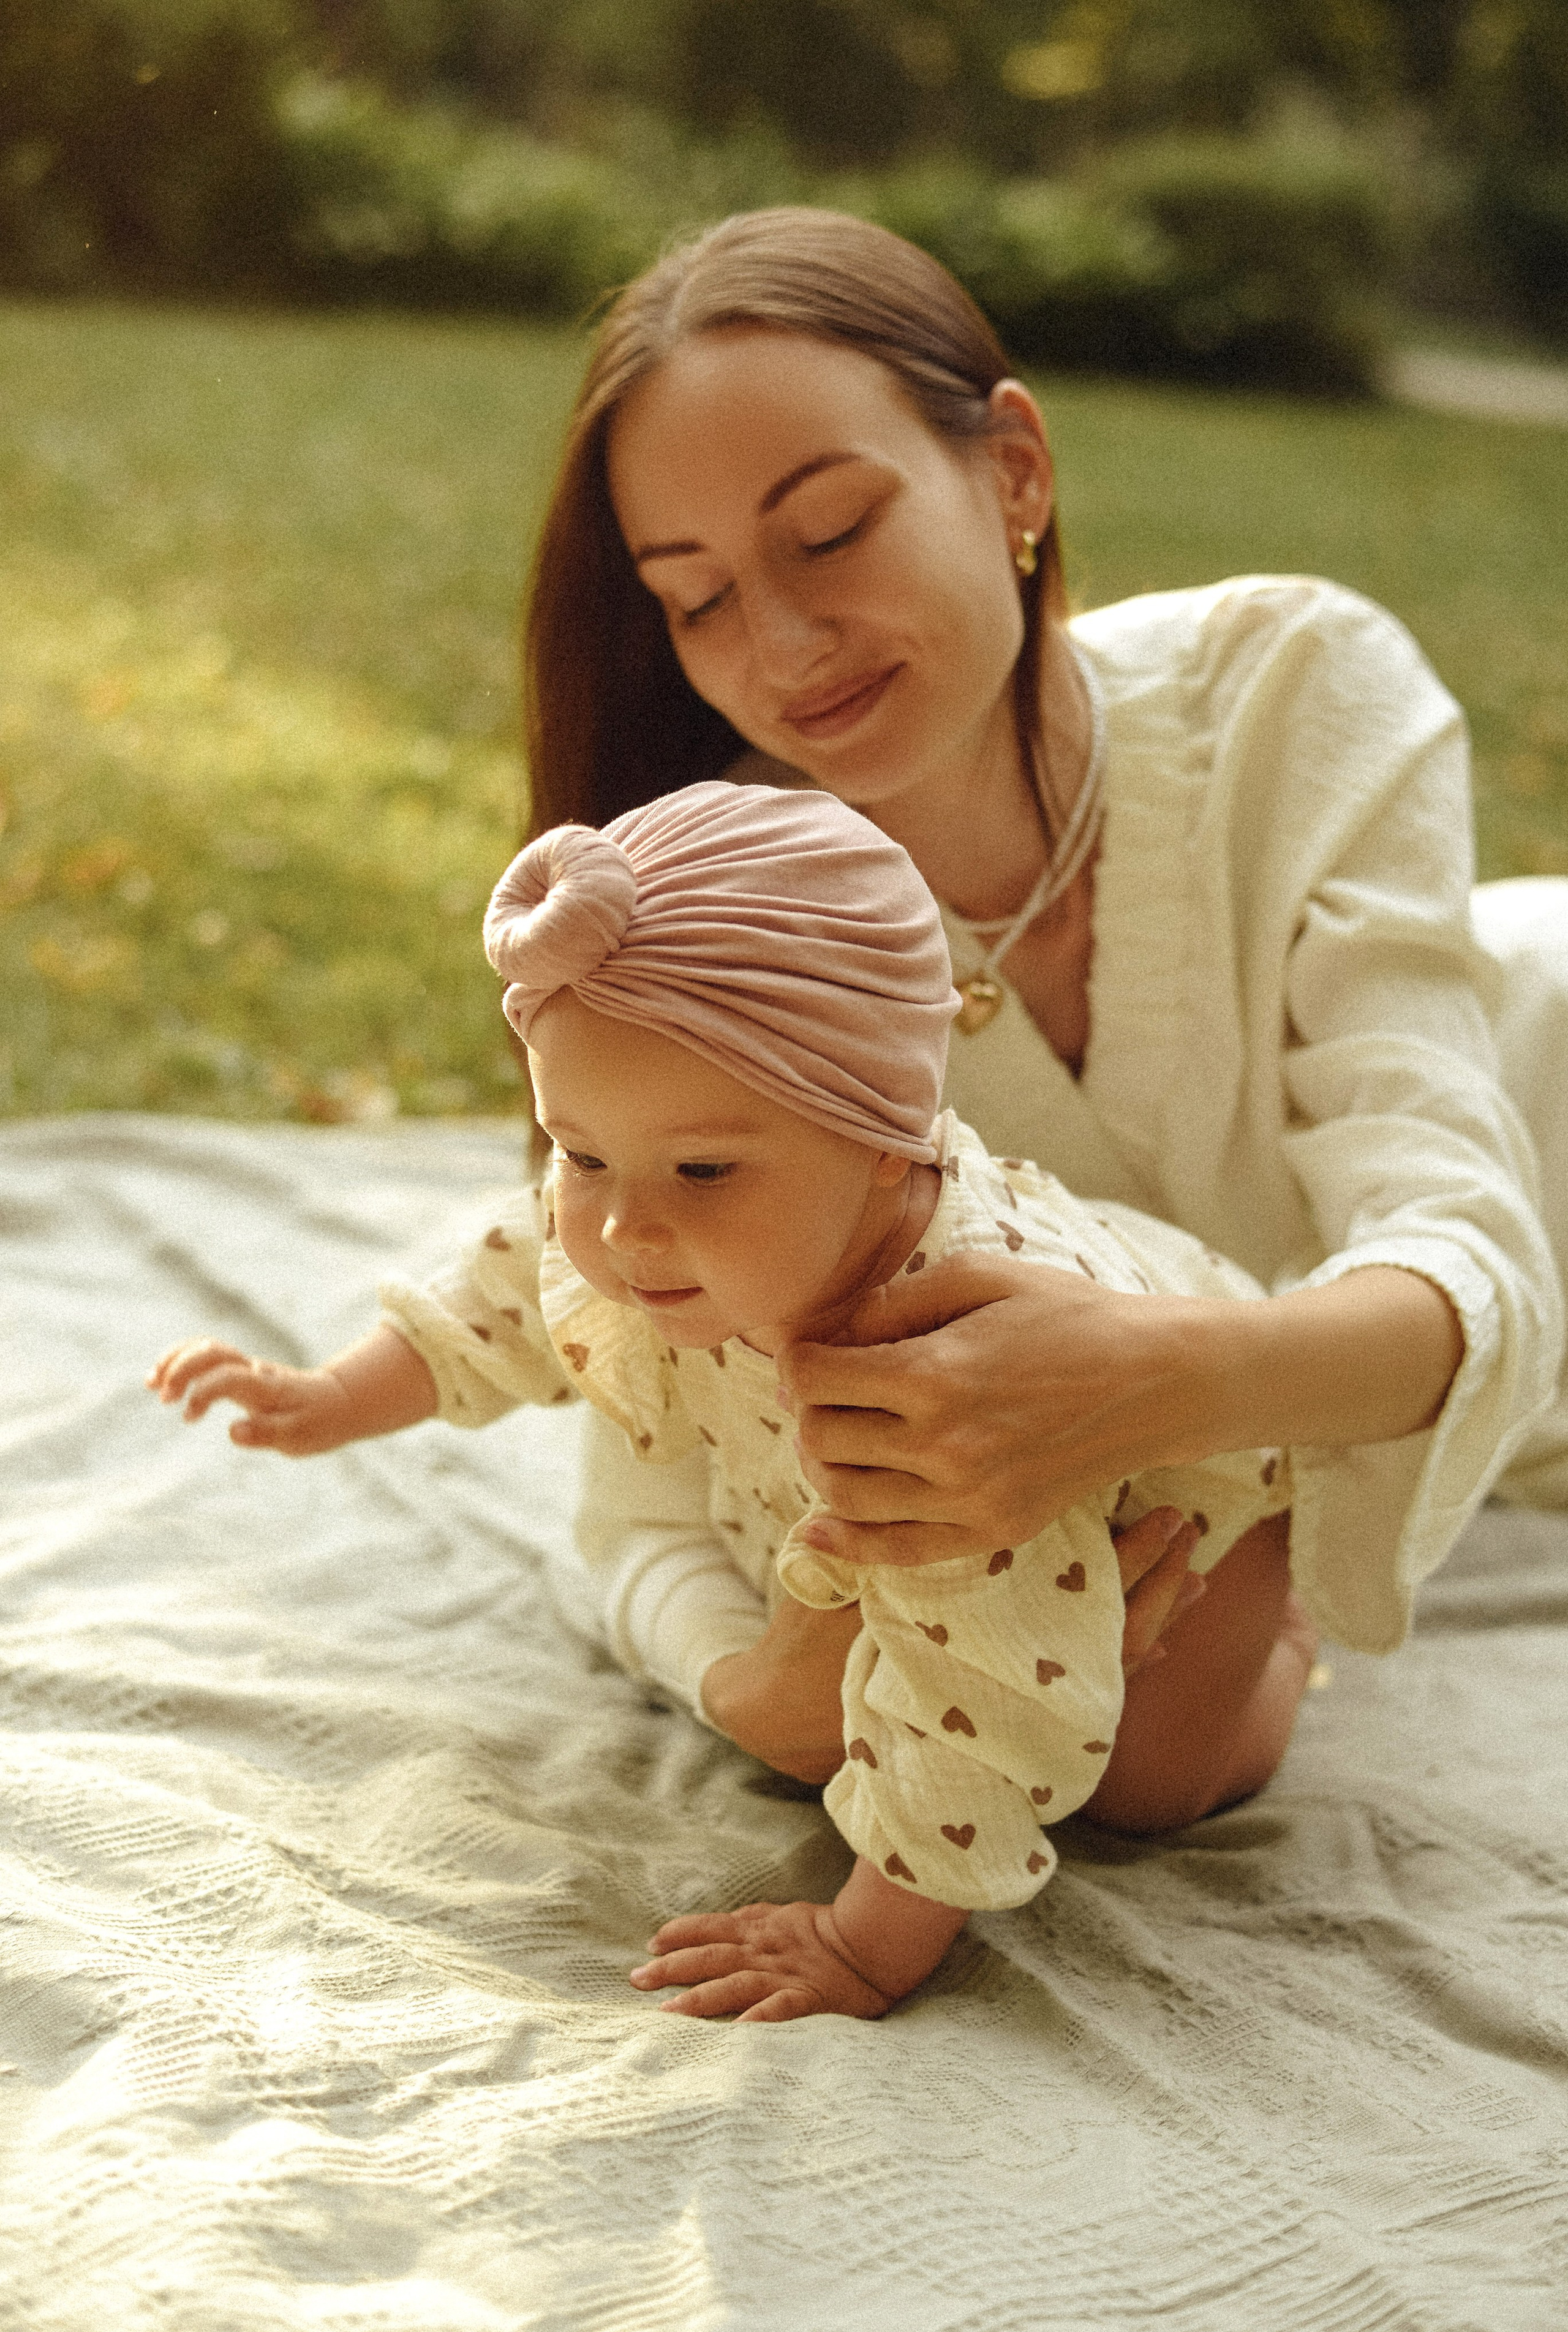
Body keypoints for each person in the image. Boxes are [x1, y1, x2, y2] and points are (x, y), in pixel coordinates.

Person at [519, 203, 1567, 1809]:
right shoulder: (719, 923)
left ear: (1013, 470)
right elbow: (640, 1474)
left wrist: (1166, 1393)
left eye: (829, 532)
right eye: (697, 596)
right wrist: (755, 1691)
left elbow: (1473, 1260)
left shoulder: (1295, 689)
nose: (782, 647)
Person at [149, 779, 1303, 2021]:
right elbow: (511, 1281)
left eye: (701, 1169)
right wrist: (333, 1394)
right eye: (581, 1153)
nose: (623, 1227)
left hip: (1194, 1519)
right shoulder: (687, 1224)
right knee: (864, 1676)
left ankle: (1286, 1649)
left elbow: (984, 1697)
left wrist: (864, 1947)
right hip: (942, 1552)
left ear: (887, 1140)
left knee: (1144, 1786)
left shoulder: (951, 1379)